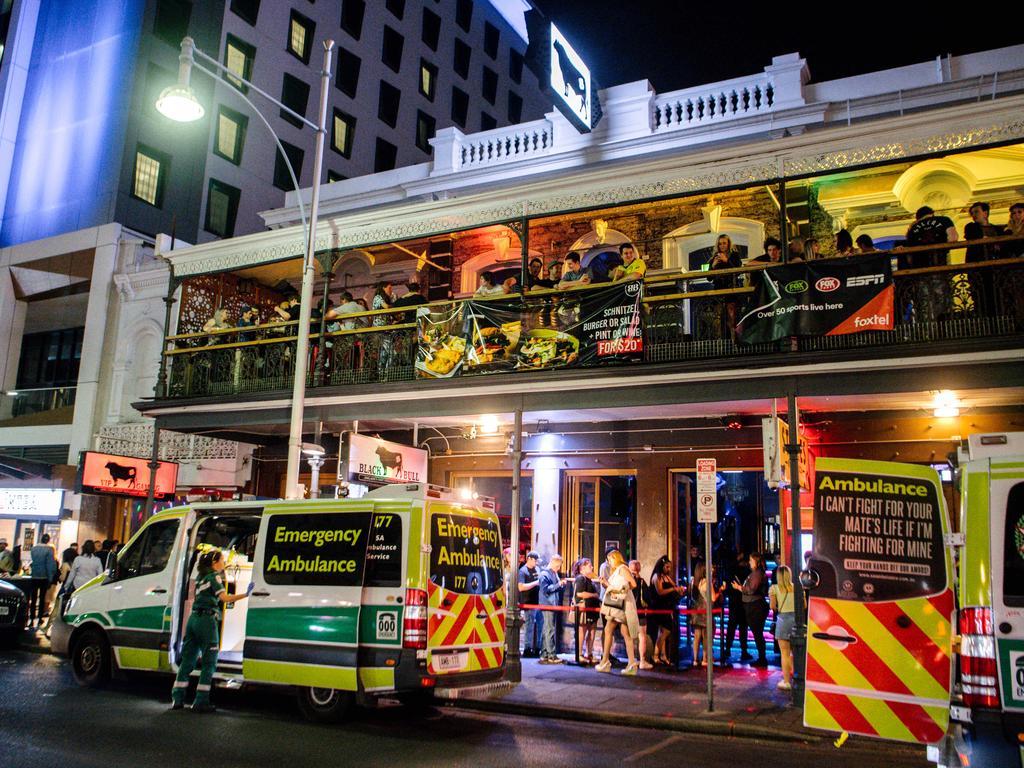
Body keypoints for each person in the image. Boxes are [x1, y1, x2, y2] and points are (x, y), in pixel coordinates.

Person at [171, 549, 251, 712]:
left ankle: (177, 698)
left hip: (193, 620)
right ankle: (201, 701)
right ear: (215, 563)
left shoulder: (200, 577)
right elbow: (225, 598)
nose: (224, 563)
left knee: (187, 661)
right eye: (222, 560)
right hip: (207, 621)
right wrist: (246, 594)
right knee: (209, 662)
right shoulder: (214, 577)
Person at [596, 549, 639, 675]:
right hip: (620, 605)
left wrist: (621, 590)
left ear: (615, 558)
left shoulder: (622, 568)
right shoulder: (617, 570)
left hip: (621, 605)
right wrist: (606, 584)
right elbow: (616, 588)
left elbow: (633, 584)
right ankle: (631, 664)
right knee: (625, 633)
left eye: (610, 559)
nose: (609, 563)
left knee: (609, 630)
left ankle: (605, 661)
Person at [733, 552, 769, 667]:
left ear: (756, 561)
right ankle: (761, 657)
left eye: (751, 560)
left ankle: (762, 658)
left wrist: (739, 588)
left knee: (757, 633)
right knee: (757, 632)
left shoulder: (757, 574)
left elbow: (751, 589)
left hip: (755, 606)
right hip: (752, 605)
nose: (749, 562)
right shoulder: (755, 573)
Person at [649, 556, 684, 665]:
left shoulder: (667, 577)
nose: (669, 569)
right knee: (665, 631)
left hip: (667, 606)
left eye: (670, 567)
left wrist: (679, 589)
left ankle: (662, 655)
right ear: (662, 566)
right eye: (667, 567)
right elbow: (660, 591)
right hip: (659, 607)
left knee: (663, 632)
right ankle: (655, 653)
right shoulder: (656, 576)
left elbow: (674, 586)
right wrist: (674, 589)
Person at [689, 561, 722, 667]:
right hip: (705, 611)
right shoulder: (707, 582)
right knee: (707, 636)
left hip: (696, 611)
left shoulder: (695, 581)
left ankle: (695, 659)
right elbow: (713, 598)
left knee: (697, 636)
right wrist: (720, 590)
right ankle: (705, 659)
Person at [770, 565, 796, 691]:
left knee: (784, 653)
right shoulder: (797, 588)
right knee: (795, 653)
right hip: (796, 621)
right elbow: (804, 605)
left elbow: (772, 606)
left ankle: (786, 681)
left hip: (783, 620)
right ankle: (798, 678)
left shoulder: (774, 589)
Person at [723, 551, 752, 663]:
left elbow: (728, 588)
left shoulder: (731, 571)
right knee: (743, 628)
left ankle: (728, 648)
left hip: (734, 603)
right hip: (743, 602)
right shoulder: (747, 572)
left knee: (731, 626)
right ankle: (743, 650)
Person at [538, 554, 568, 664]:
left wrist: (560, 584)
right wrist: (558, 584)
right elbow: (545, 589)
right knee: (549, 629)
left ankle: (544, 654)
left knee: (547, 630)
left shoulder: (553, 573)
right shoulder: (544, 574)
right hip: (547, 604)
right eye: (558, 566)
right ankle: (551, 655)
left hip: (552, 604)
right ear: (553, 563)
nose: (559, 568)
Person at [572, 558, 600, 664]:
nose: (592, 567)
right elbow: (579, 594)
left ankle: (589, 654)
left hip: (592, 609)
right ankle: (579, 654)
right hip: (584, 610)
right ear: (582, 568)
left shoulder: (589, 579)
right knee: (582, 632)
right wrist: (594, 595)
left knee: (592, 632)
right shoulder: (580, 578)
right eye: (590, 565)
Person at [629, 560, 654, 669]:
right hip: (640, 612)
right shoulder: (642, 582)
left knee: (628, 637)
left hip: (628, 611)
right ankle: (642, 661)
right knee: (642, 636)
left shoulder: (627, 581)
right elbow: (648, 598)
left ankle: (631, 661)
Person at [29, 533, 58, 626]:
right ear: (48, 540)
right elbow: (50, 565)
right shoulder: (49, 549)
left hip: (34, 575)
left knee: (33, 599)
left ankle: (32, 619)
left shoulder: (34, 548)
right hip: (44, 576)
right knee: (42, 598)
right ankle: (40, 618)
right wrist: (50, 578)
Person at [517, 551, 542, 657]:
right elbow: (521, 587)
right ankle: (527, 649)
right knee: (529, 625)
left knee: (540, 625)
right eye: (535, 561)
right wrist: (535, 583)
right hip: (528, 602)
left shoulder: (537, 569)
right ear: (529, 559)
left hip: (538, 602)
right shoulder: (522, 571)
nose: (536, 563)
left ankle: (537, 648)